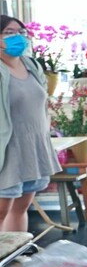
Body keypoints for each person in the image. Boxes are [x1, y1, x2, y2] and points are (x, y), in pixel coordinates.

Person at [0, 16, 60, 232]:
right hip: (7, 148)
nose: (18, 36)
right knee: (1, 210)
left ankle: (14, 256)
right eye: (9, 32)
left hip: (33, 146)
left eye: (21, 32)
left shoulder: (31, 65)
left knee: (20, 208)